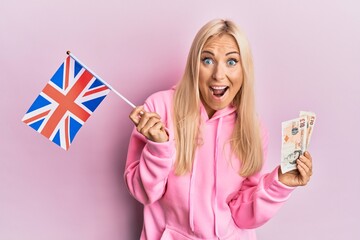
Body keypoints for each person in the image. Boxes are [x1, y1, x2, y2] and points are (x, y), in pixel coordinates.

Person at [124, 19, 313, 240]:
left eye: (232, 61)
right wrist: (158, 148)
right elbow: (143, 192)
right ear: (194, 65)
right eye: (207, 60)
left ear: (244, 70)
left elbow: (243, 216)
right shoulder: (158, 109)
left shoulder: (253, 128)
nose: (218, 75)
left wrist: (280, 183)